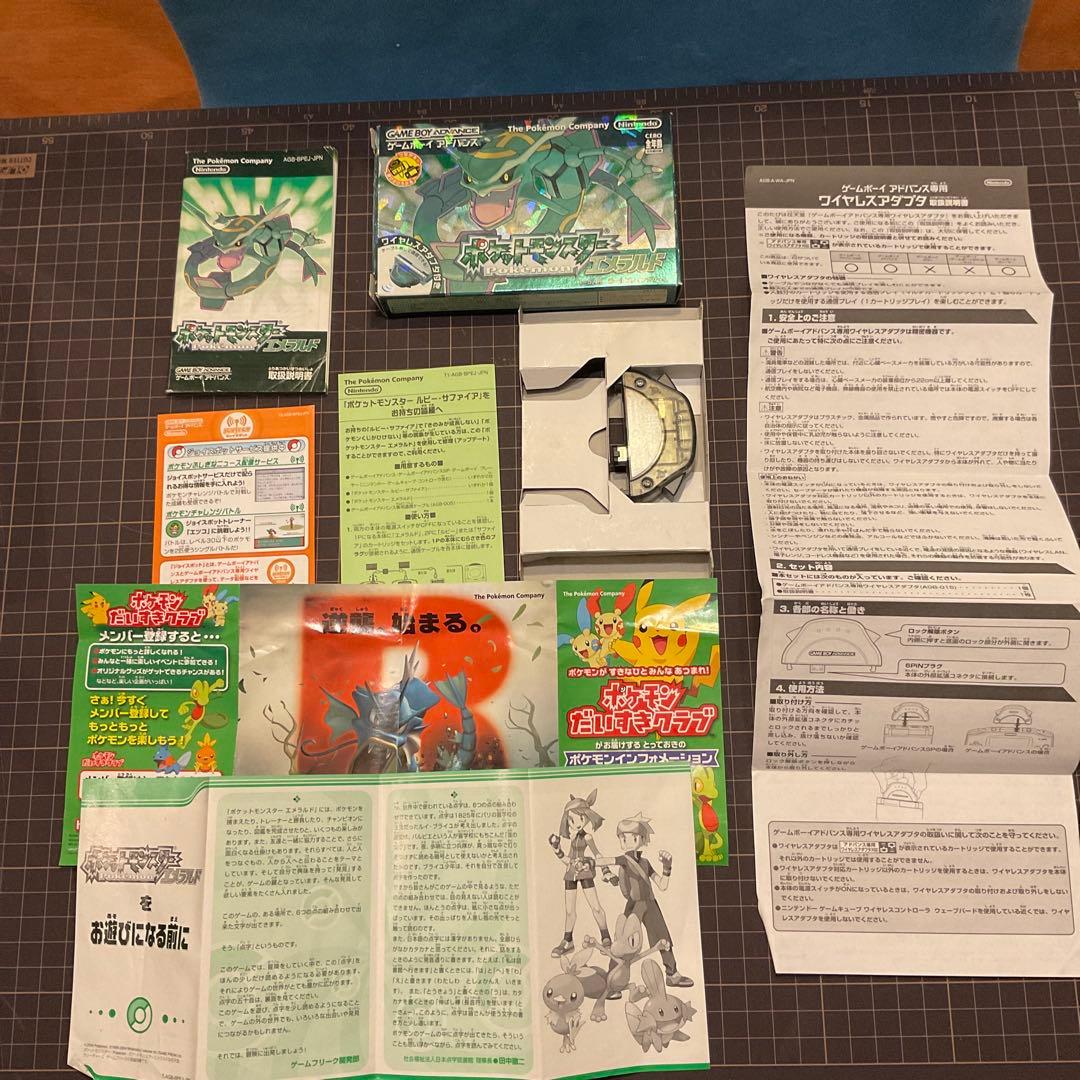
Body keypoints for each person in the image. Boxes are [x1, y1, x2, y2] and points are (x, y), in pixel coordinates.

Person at [602, 813, 693, 989]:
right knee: (622, 941)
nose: (626, 842)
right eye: (622, 838)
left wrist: (667, 868)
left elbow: (662, 885)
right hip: (634, 904)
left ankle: (672, 974)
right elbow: (607, 860)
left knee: (663, 937)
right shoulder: (624, 860)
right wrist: (590, 863)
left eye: (632, 837)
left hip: (650, 903)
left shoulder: (645, 862)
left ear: (642, 839)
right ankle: (612, 979)